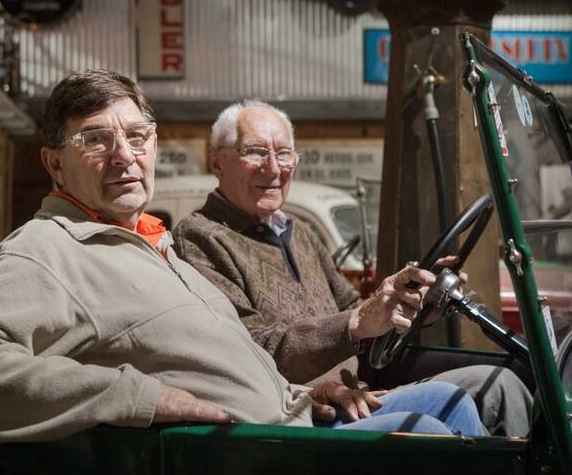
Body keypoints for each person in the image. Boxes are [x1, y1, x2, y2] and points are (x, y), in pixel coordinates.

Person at [0, 70, 485, 445]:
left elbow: (240, 359)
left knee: (454, 401)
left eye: (137, 137)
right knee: (439, 436)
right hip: (255, 452)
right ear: (53, 164)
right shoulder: (48, 247)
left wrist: (306, 392)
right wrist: (137, 396)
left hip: (294, 418)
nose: (125, 156)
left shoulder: (155, 241)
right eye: (95, 141)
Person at [172, 100, 533, 438]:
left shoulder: (300, 232)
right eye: (255, 152)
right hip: (300, 416)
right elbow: (247, 351)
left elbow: (353, 311)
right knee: (434, 417)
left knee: (502, 383)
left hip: (360, 394)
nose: (274, 167)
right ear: (216, 161)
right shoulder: (201, 236)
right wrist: (331, 364)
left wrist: (411, 305)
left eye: (283, 153)